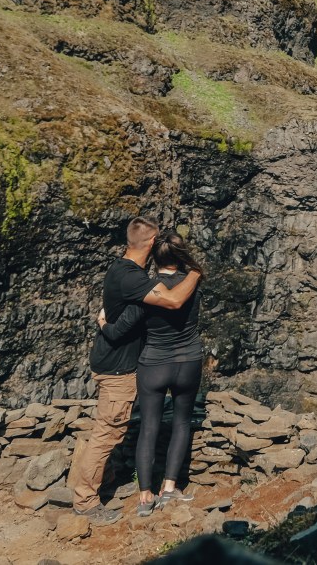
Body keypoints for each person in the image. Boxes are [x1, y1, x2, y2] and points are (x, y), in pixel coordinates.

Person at [71, 217, 202, 525]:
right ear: (149, 244)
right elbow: (171, 299)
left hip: (135, 364)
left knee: (123, 430)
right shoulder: (134, 280)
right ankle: (86, 502)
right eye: (156, 241)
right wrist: (195, 270)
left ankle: (131, 489)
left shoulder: (126, 270)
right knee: (107, 434)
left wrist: (104, 322)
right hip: (118, 369)